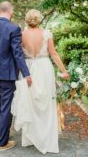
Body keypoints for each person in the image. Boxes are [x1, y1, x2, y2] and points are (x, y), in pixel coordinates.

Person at [11, 9, 70, 154]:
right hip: (44, 68)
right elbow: (54, 54)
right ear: (39, 20)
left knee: (30, 102)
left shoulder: (21, 34)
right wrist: (64, 70)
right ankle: (47, 138)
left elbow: (17, 54)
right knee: (46, 102)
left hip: (28, 69)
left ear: (26, 20)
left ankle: (31, 138)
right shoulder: (46, 33)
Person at [0, 1, 32, 152]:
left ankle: (2, 135)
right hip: (6, 75)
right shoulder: (14, 28)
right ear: (11, 12)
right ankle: (2, 142)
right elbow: (17, 53)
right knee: (5, 107)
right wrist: (26, 73)